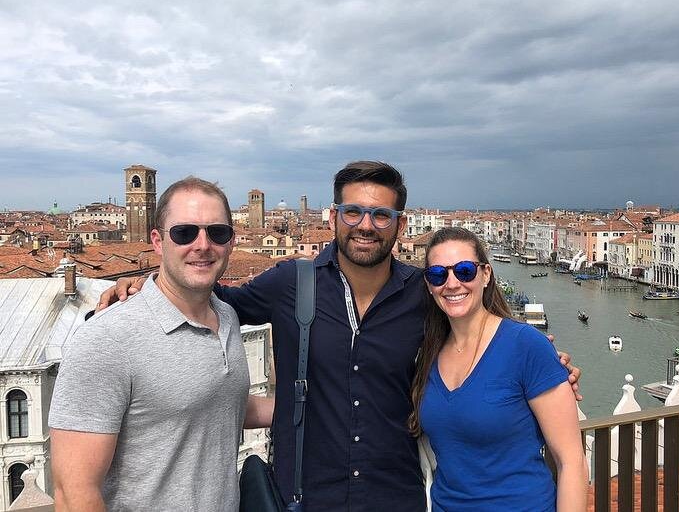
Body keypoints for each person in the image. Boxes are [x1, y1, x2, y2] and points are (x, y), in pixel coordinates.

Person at [97, 161, 581, 512]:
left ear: (399, 225)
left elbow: (483, 339)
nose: (366, 225)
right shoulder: (291, 284)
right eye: (353, 212)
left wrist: (547, 368)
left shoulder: (425, 291)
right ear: (333, 218)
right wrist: (144, 284)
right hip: (308, 498)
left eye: (381, 215)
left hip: (397, 499)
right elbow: (208, 297)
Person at [49, 177, 273, 511]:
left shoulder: (226, 317)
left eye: (217, 232)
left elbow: (222, 404)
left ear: (231, 242)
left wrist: (322, 406)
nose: (202, 245)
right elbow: (73, 494)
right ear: (157, 241)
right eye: (184, 233)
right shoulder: (106, 338)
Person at [409, 227, 588, 511]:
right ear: (429, 285)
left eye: (464, 271)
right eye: (438, 275)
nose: (452, 283)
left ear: (486, 274)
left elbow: (571, 461)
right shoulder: (427, 354)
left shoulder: (527, 345)